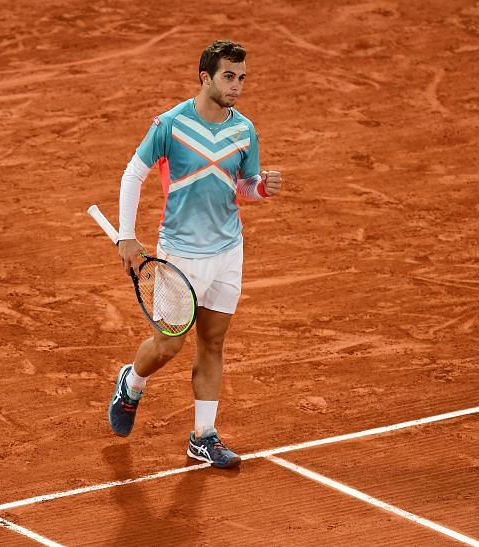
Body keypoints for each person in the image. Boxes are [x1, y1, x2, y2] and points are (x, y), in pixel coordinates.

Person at [107, 40, 282, 469]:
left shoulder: (245, 130)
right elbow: (134, 174)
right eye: (228, 76)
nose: (237, 86)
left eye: (242, 77)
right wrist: (126, 237)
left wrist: (259, 188)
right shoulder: (170, 125)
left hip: (227, 251)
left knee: (213, 342)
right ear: (205, 77)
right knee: (168, 344)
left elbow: (242, 183)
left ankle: (203, 436)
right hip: (180, 256)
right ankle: (132, 382)